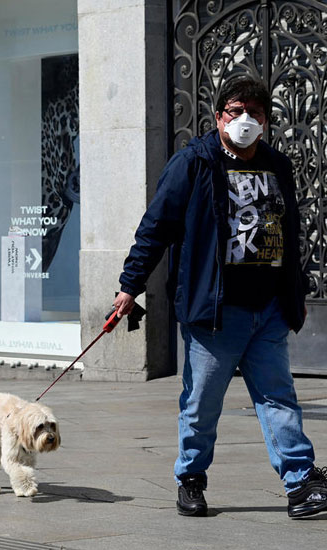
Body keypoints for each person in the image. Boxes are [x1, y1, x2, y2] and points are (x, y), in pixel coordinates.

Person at [113, 75, 327, 518]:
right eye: (235, 110)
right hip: (214, 311)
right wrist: (130, 285)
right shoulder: (194, 162)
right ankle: (190, 478)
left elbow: (289, 233)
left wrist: (295, 290)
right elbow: (157, 226)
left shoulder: (277, 166)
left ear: (266, 120)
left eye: (255, 112)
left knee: (278, 397)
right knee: (201, 404)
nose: (245, 119)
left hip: (267, 309)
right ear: (218, 116)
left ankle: (301, 483)